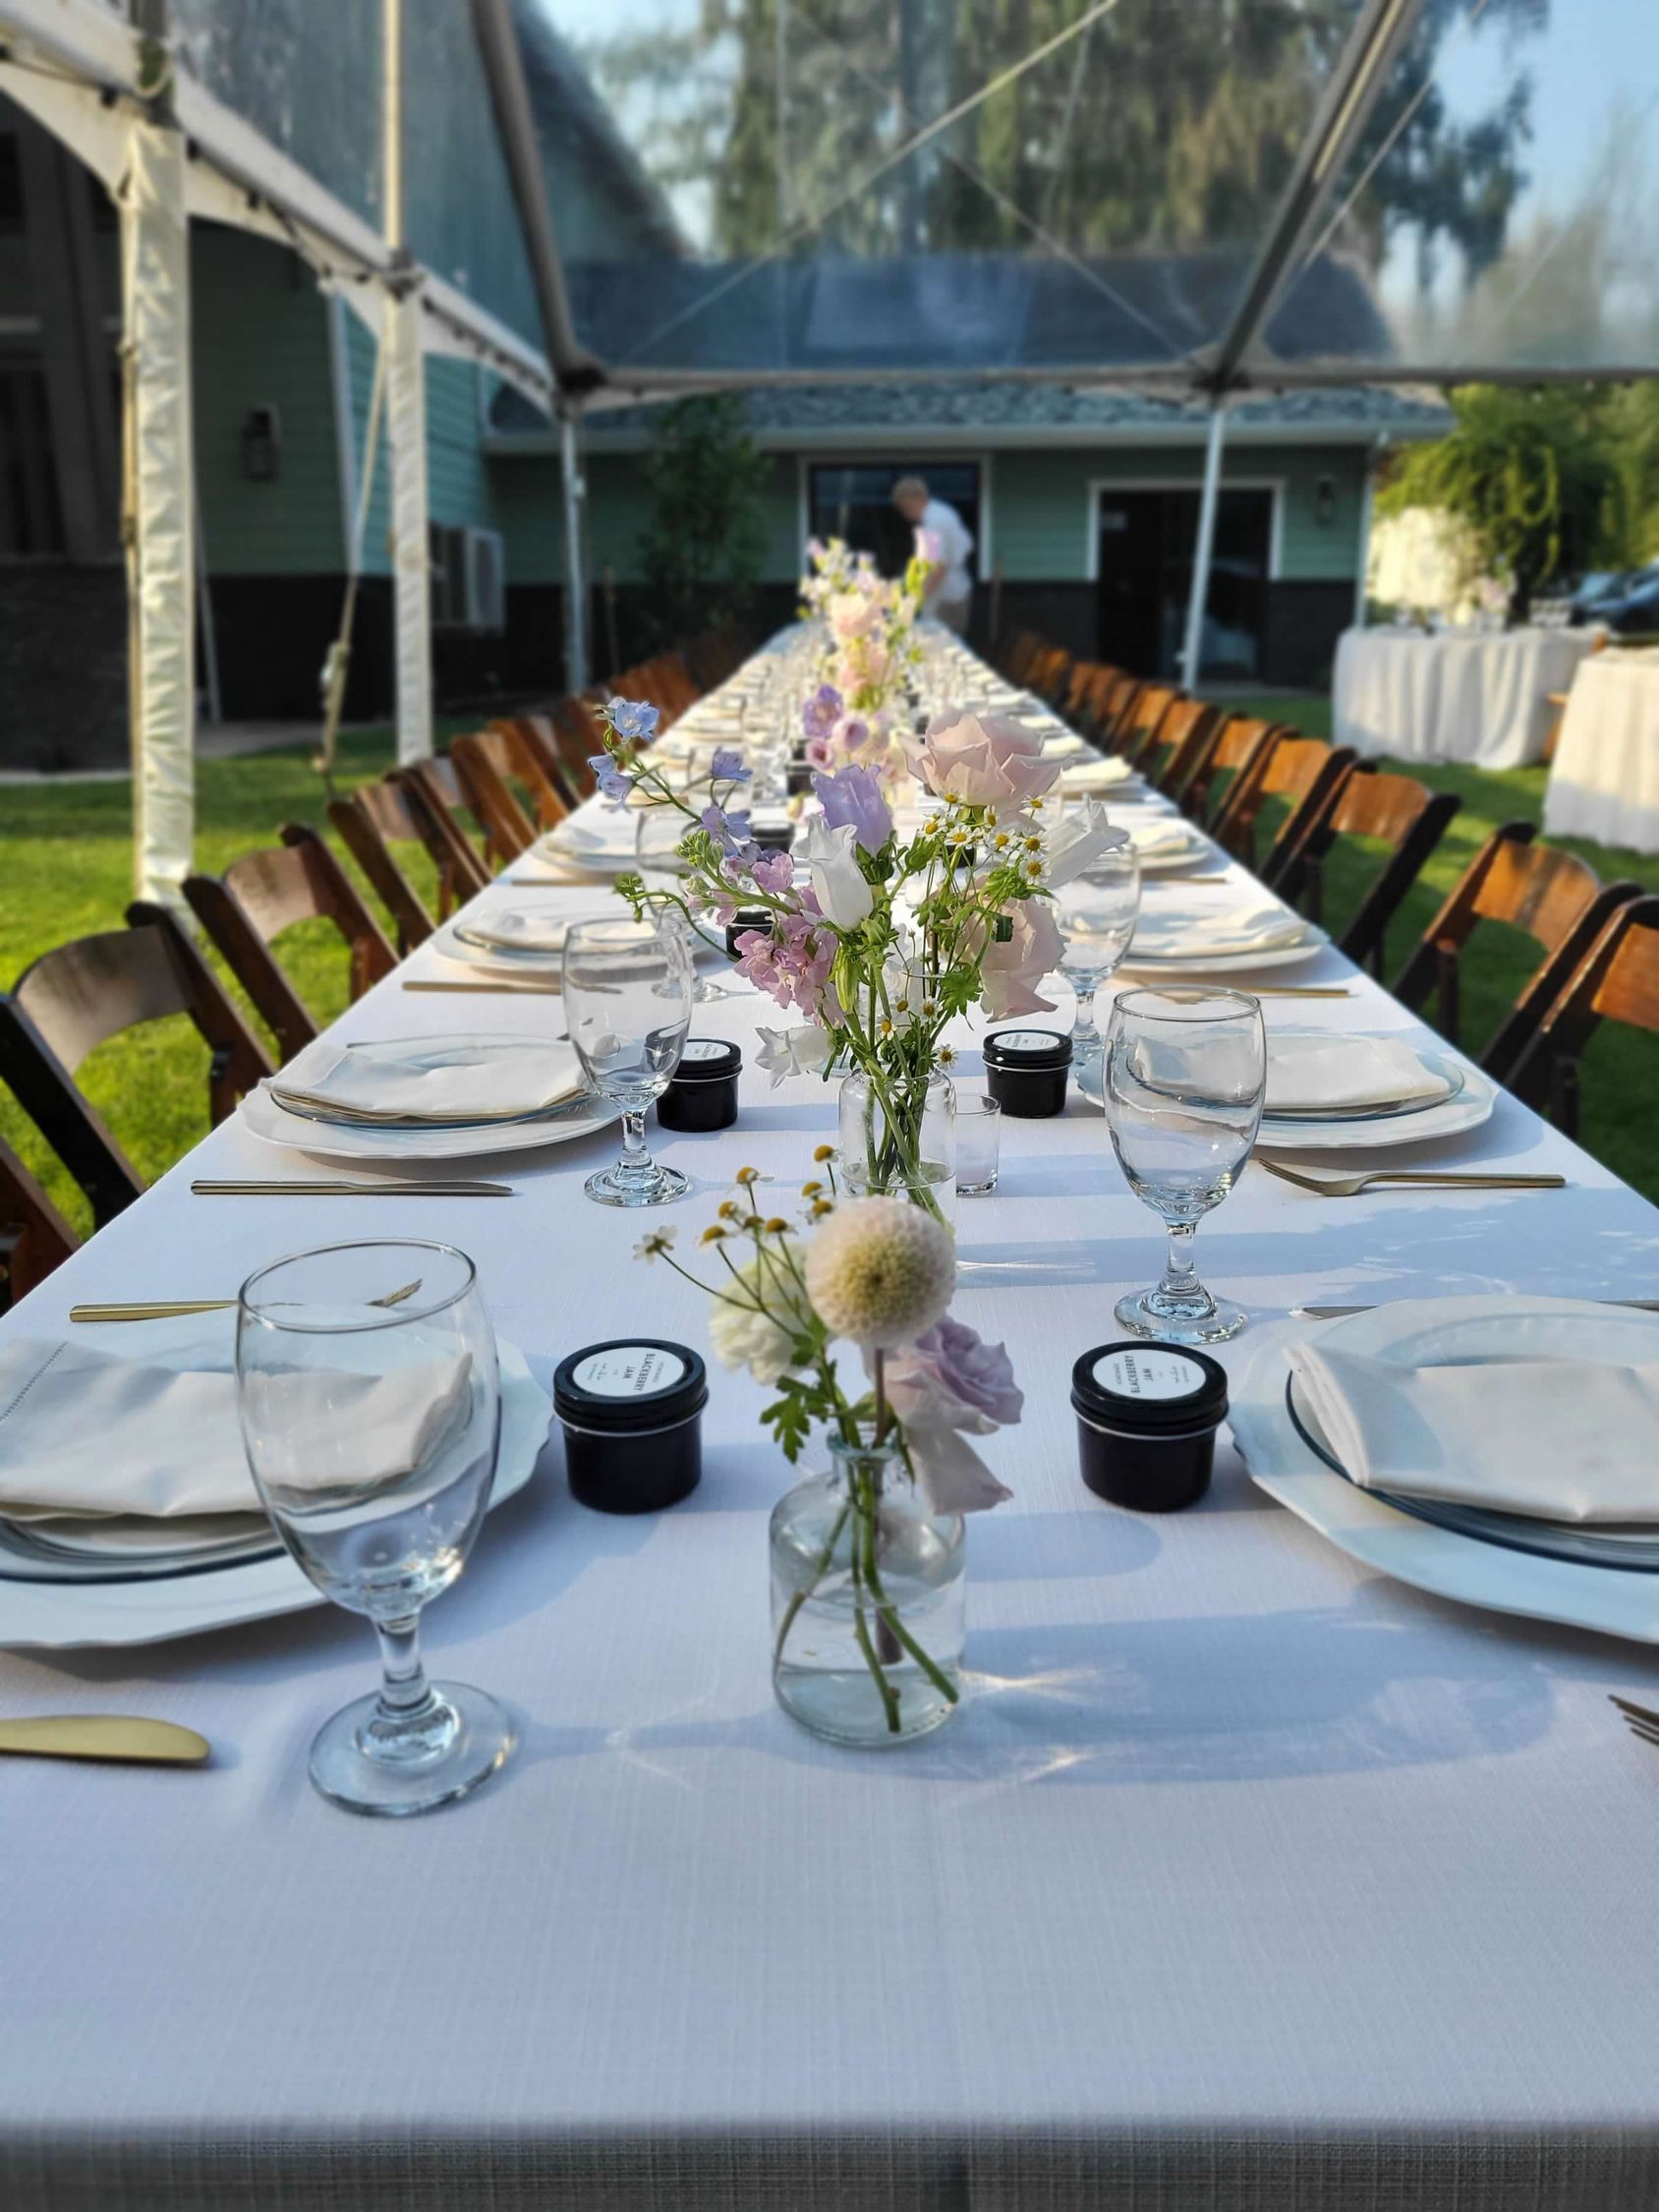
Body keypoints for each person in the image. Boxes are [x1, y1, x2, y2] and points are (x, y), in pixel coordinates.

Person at [892, 476, 974, 633]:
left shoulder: (934, 521)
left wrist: (913, 602)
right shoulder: (940, 513)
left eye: (906, 508)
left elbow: (938, 569)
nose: (905, 515)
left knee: (945, 648)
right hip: (949, 592)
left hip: (947, 598)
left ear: (919, 498)